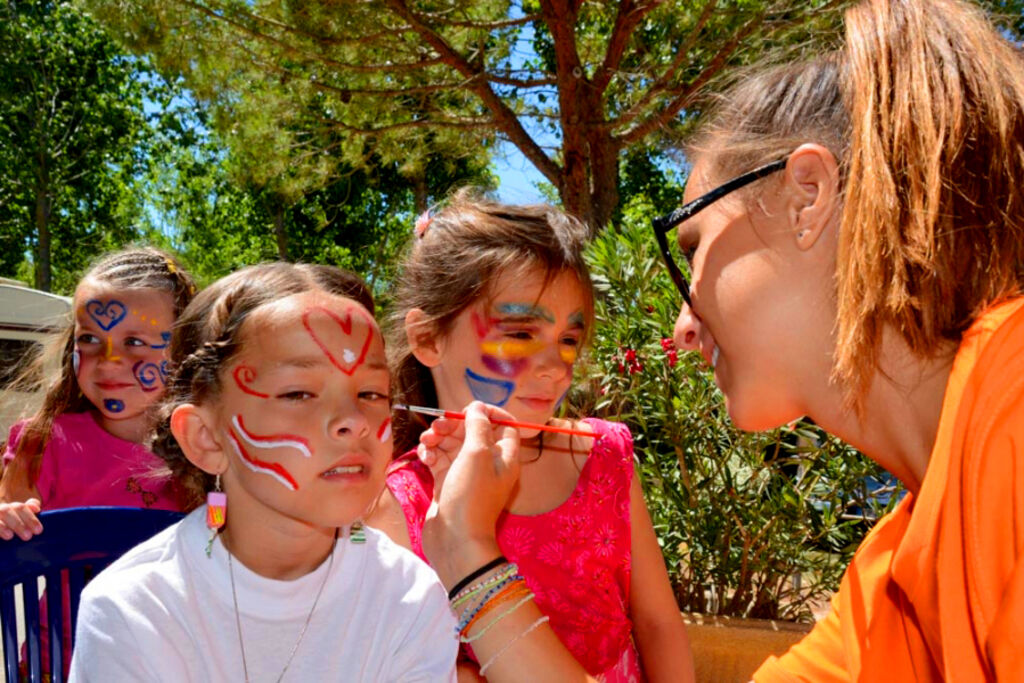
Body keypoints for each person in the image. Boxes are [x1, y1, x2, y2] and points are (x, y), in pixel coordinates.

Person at [418, 0, 1024, 680]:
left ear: (807, 196)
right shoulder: (896, 574)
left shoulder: (1012, 408)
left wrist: (471, 555)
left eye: (693, 245)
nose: (680, 325)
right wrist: (472, 555)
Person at [69, 263, 457, 681]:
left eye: (370, 393)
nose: (354, 419)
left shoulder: (409, 598)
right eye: (298, 393)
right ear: (206, 439)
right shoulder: (132, 610)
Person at [366, 191, 694, 682]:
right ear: (428, 338)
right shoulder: (395, 504)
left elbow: (658, 624)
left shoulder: (604, 457)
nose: (555, 368)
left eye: (568, 340)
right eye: (520, 334)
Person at [0, 246, 197, 535]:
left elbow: (220, 531)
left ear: (183, 348)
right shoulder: (40, 444)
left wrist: (221, 518)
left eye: (134, 342)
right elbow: (9, 526)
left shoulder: (205, 449)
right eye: (90, 338)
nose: (108, 362)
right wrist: (7, 519)